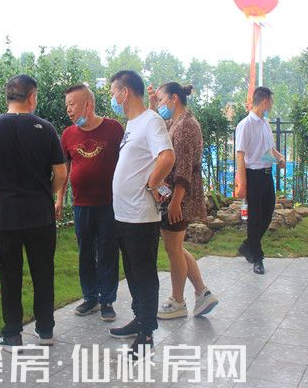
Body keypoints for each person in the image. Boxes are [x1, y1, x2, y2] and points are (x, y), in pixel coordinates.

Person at [0, 74, 67, 349]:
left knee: (10, 274)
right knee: (43, 271)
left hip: (6, 216)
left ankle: (12, 333)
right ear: (32, 97)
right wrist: (47, 191)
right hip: (40, 214)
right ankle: (45, 330)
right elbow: (61, 173)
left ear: (8, 97)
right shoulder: (46, 128)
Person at [107, 70, 175, 358]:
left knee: (144, 274)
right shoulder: (132, 123)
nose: (112, 98)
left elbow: (167, 156)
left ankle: (147, 332)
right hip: (124, 214)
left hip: (140, 216)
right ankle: (139, 318)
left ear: (125, 92)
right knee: (133, 273)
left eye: (114, 92)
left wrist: (152, 183)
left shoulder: (151, 121)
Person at [146, 82, 219, 319]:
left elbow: (184, 168)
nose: (160, 104)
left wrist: (176, 201)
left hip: (180, 195)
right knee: (175, 247)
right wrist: (151, 104)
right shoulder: (176, 122)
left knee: (173, 249)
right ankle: (202, 292)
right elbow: (155, 127)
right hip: (174, 194)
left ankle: (178, 301)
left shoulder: (186, 125)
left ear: (174, 98)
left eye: (161, 99)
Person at [56, 84, 123, 322]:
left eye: (72, 105)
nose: (68, 110)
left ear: (88, 105)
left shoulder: (114, 128)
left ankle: (107, 300)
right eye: (67, 106)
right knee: (85, 252)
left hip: (110, 204)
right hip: (81, 205)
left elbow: (126, 161)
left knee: (108, 251)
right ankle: (90, 297)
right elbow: (64, 170)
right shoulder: (68, 135)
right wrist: (59, 198)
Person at [234, 86, 286, 275]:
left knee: (267, 213)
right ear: (264, 102)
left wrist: (279, 158)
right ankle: (257, 256)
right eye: (271, 102)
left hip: (266, 174)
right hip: (253, 175)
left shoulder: (265, 123)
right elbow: (240, 155)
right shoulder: (245, 124)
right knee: (255, 217)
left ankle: (248, 245)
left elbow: (268, 149)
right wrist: (242, 182)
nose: (271, 105)